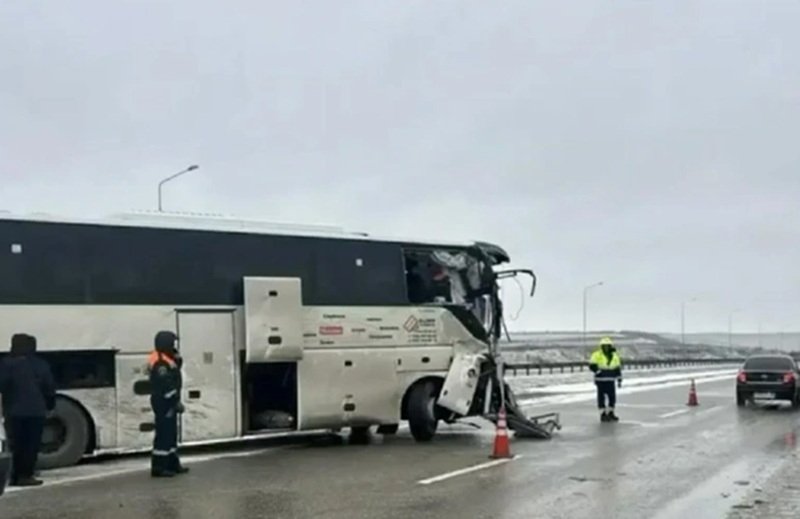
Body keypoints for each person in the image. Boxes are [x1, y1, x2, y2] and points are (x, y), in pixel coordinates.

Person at [0, 333, 56, 486]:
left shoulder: (5, 364)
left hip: (13, 411)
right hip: (35, 411)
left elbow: (2, 384)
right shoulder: (40, 364)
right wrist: (50, 406)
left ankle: (14, 475)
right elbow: (49, 388)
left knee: (15, 444)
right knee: (31, 445)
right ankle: (25, 475)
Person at [148, 330, 188, 477]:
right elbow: (166, 385)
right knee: (164, 435)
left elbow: (177, 367)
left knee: (171, 435)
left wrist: (176, 356)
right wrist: (175, 402)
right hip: (163, 402)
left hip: (168, 401)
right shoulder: (160, 363)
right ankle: (159, 468)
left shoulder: (167, 358)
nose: (174, 346)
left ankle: (173, 464)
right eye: (172, 343)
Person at [588, 336, 623, 423]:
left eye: (608, 345)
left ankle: (610, 413)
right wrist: (598, 371)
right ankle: (603, 414)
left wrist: (619, 380)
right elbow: (592, 365)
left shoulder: (615, 356)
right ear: (602, 346)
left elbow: (617, 368)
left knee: (612, 398)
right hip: (601, 380)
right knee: (601, 398)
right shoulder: (596, 354)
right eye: (605, 346)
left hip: (611, 380)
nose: (606, 347)